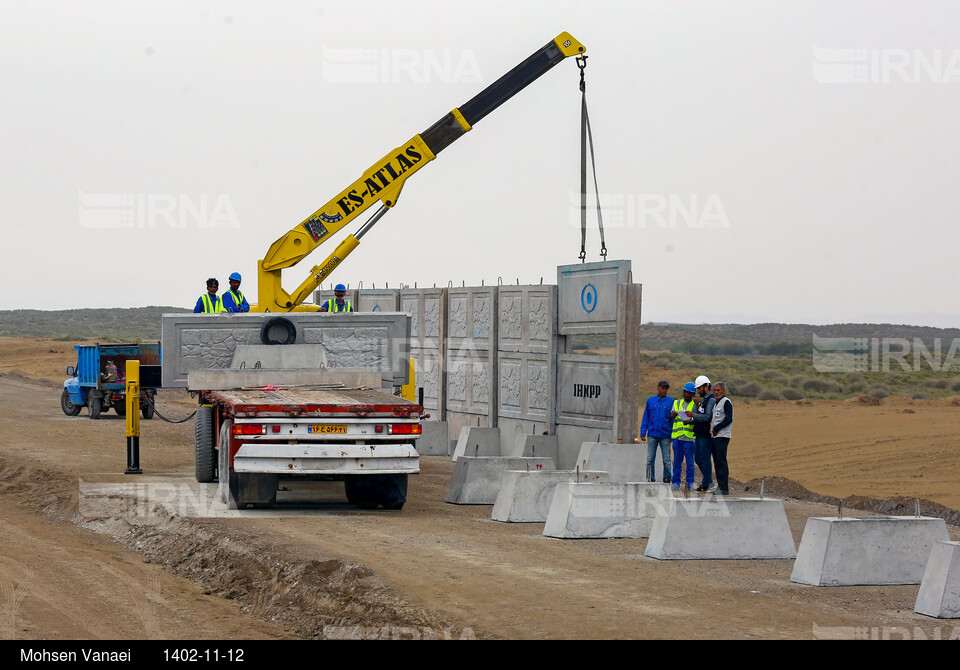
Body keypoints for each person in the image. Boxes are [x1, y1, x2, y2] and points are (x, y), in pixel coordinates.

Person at [639, 380, 673, 483]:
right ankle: (650, 477)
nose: (664, 390)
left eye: (666, 389)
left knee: (666, 459)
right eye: (662, 388)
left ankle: (667, 477)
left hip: (665, 434)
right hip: (652, 434)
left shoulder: (671, 402)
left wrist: (672, 434)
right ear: (658, 388)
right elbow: (646, 416)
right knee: (650, 458)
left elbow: (673, 420)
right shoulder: (651, 401)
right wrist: (643, 431)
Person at [670, 382, 697, 490]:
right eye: (685, 392)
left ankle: (689, 484)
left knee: (690, 464)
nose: (686, 394)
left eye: (689, 393)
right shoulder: (676, 403)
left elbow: (697, 419)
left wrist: (689, 421)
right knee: (677, 462)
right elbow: (671, 416)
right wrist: (675, 413)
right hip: (678, 438)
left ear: (693, 394)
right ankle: (676, 483)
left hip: (689, 438)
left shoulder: (695, 405)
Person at [691, 374, 715, 492]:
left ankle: (707, 483)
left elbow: (707, 417)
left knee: (705, 459)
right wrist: (696, 406)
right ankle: (708, 480)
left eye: (699, 388)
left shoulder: (711, 400)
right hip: (699, 434)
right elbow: (700, 414)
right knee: (698, 458)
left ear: (706, 387)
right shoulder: (704, 401)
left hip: (706, 435)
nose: (698, 391)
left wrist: (693, 415)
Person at [710, 381, 734, 495]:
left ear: (723, 391)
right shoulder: (716, 403)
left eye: (718, 390)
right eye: (714, 390)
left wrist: (717, 428)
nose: (716, 392)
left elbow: (729, 419)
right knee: (717, 461)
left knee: (721, 462)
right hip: (715, 436)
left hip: (722, 435)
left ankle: (724, 488)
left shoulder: (726, 402)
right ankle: (720, 486)